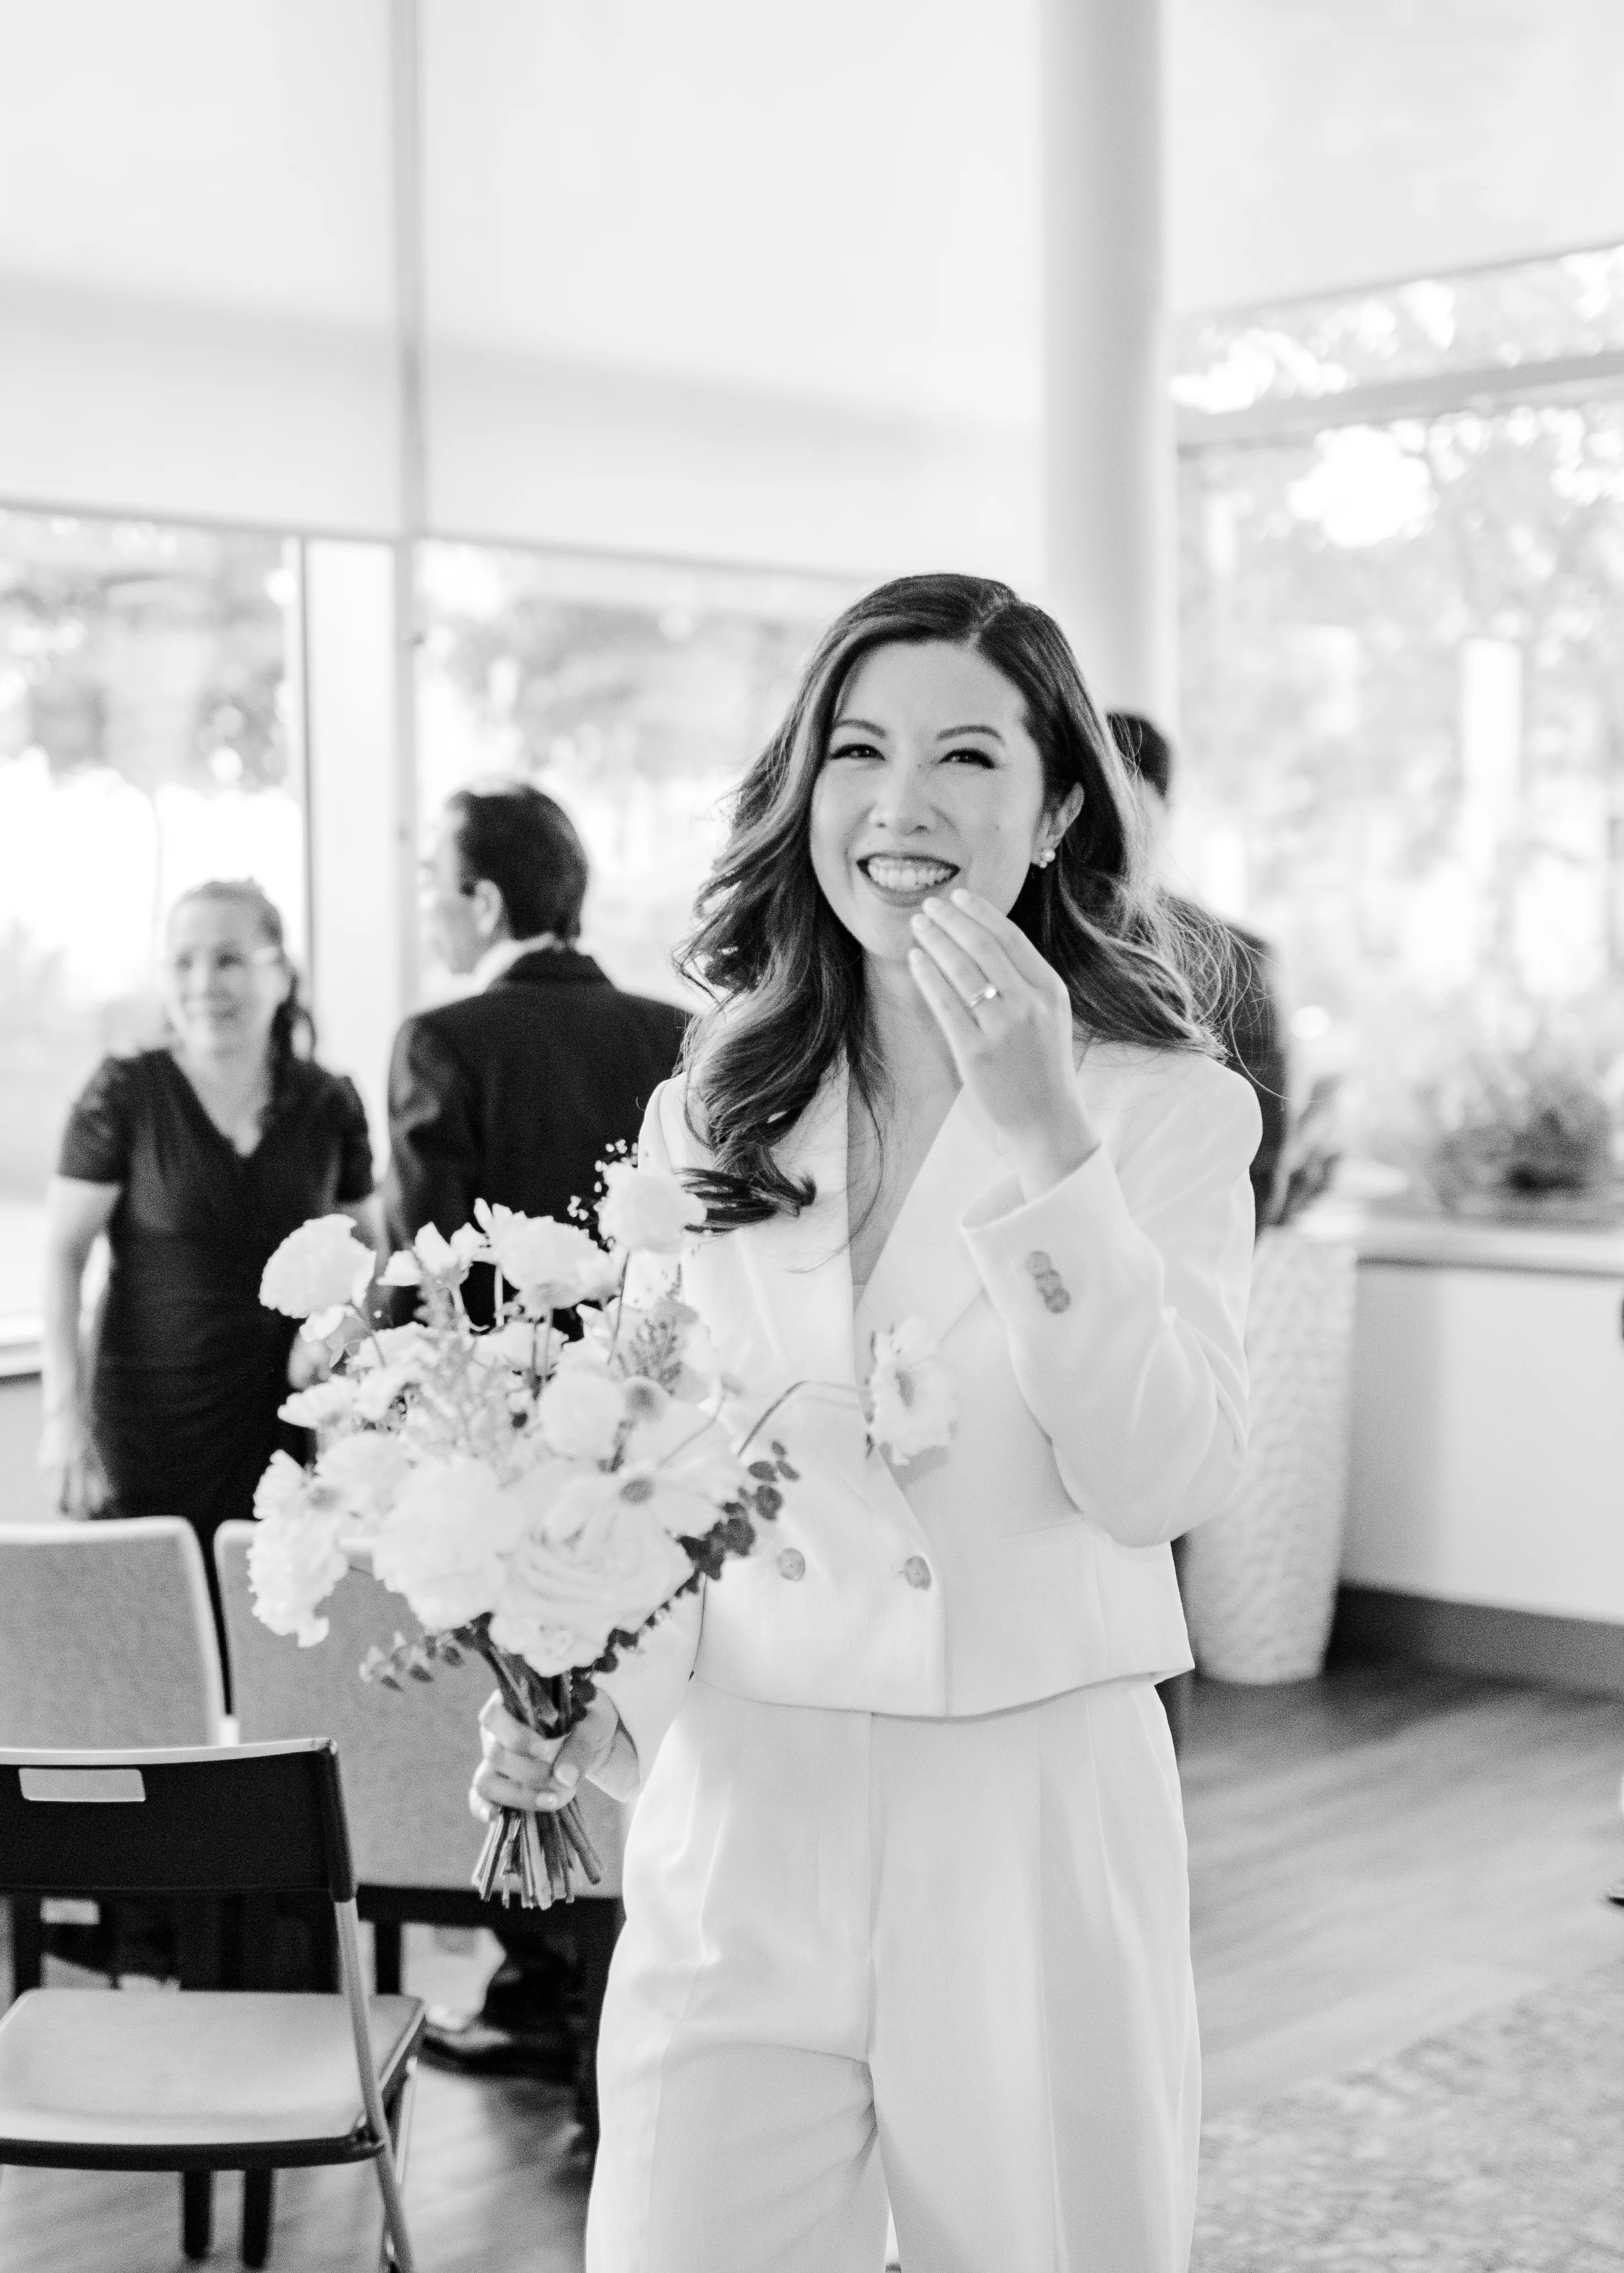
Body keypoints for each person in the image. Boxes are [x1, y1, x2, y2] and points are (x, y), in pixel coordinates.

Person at [475, 575, 1260, 2273]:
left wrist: (1048, 1152)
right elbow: (655, 1465)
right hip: (744, 1803)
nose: (901, 804)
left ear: (1053, 808)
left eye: (966, 755)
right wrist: (569, 1698)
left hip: (1027, 1811)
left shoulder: (1166, 1111)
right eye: (856, 749)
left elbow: (1162, 1475)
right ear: (805, 789)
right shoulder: (719, 1087)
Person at [388, 779, 688, 2111]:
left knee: (532, 1685)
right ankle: (595, 1976)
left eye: (429, 883)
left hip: (504, 1427)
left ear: (486, 902)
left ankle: (538, 1977)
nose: (422, 908)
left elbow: (426, 1274)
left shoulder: (441, 1038)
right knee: (638, 1677)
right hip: (655, 1429)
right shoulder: (674, 1032)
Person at [40, 880, 375, 1652]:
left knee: (271, 1649)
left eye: (228, 959)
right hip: (147, 1424)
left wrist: (336, 1328)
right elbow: (61, 1254)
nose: (203, 984)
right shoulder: (125, 1093)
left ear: (280, 975)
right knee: (150, 1657)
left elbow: (366, 1249)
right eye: (183, 962)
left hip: (283, 1430)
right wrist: (62, 1421)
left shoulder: (328, 1103)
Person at [1107, 710, 1288, 1225]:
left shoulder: (1235, 958)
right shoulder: (1027, 943)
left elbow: (1260, 1164)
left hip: (1188, 1245)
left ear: (1165, 810)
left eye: (1129, 807)